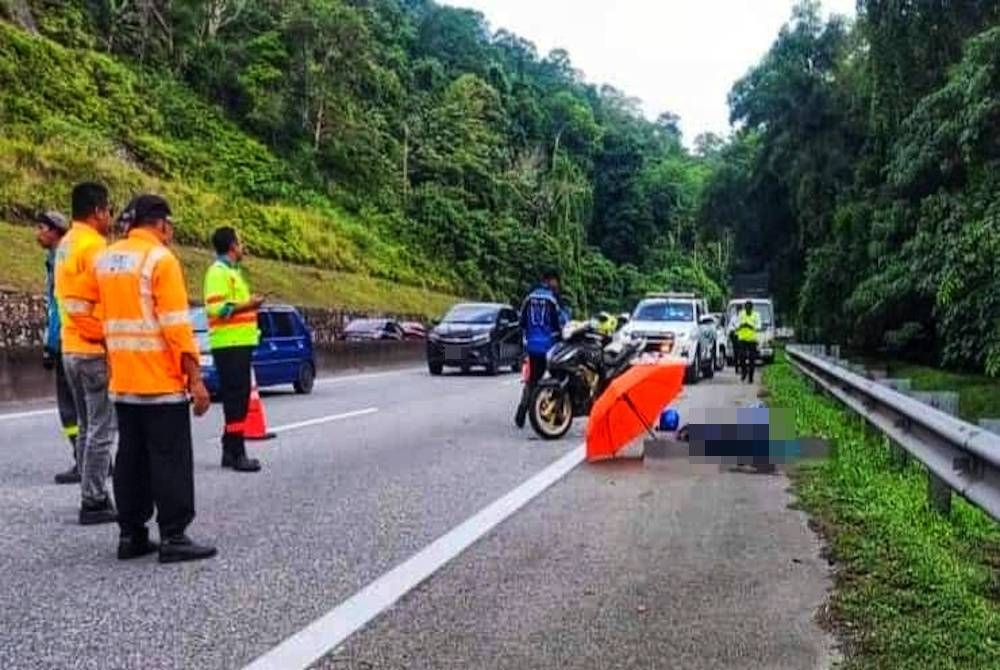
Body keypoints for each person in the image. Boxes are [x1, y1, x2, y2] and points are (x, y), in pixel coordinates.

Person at [96, 195, 216, 563]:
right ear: (161, 223)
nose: (172, 232)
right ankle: (174, 536)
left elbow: (101, 318)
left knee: (131, 458)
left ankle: (131, 535)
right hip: (160, 380)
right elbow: (177, 327)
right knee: (169, 459)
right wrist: (195, 379)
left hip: (124, 381)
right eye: (171, 225)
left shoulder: (106, 260)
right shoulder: (161, 260)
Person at [55, 182, 116, 525]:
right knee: (100, 429)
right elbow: (104, 298)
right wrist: (109, 340)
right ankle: (93, 499)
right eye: (108, 210)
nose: (109, 217)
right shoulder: (95, 247)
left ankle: (89, 490)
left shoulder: (65, 244)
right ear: (97, 211)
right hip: (93, 348)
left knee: (86, 425)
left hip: (70, 348)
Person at [203, 227, 263, 472]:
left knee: (238, 397)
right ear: (231, 246)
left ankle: (230, 448)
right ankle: (237, 452)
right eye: (240, 242)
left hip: (238, 343)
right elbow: (217, 308)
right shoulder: (218, 272)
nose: (243, 247)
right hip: (229, 344)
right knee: (236, 400)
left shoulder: (233, 273)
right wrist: (249, 304)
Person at [36, 211, 81, 484]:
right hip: (73, 338)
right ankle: (90, 458)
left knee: (70, 406)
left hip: (67, 340)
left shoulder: (60, 260)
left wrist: (50, 345)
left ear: (55, 231)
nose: (37, 233)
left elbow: (57, 307)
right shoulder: (60, 257)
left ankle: (84, 459)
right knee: (79, 404)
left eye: (41, 228)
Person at [514, 269, 568, 429]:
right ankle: (554, 413)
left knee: (532, 380)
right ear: (550, 281)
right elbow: (559, 323)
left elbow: (521, 321)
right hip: (550, 346)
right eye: (556, 282)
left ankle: (522, 410)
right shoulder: (552, 300)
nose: (557, 285)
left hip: (532, 346)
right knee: (558, 380)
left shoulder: (529, 297)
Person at [735, 300, 761, 384]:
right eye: (746, 309)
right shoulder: (741, 314)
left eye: (749, 309)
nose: (747, 311)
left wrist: (750, 326)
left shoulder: (756, 315)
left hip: (752, 339)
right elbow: (736, 324)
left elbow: (758, 326)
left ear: (752, 309)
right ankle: (744, 371)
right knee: (742, 357)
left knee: (752, 359)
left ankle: (751, 377)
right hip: (742, 339)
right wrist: (741, 325)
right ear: (744, 308)